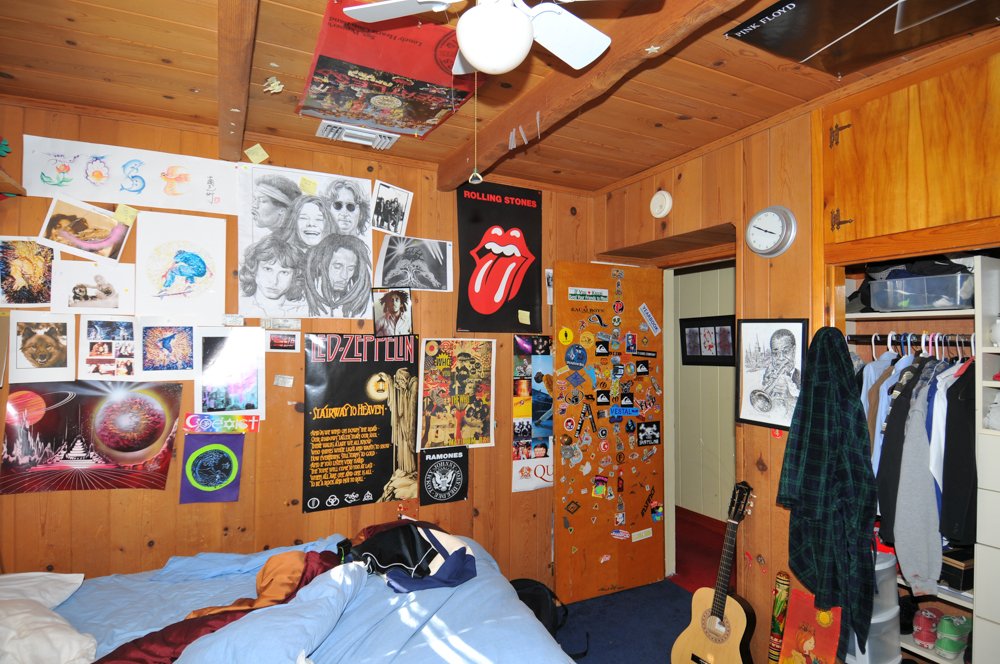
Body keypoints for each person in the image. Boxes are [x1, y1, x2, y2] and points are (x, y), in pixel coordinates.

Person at [304, 233, 372, 318]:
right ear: (321, 265)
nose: (344, 276)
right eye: (337, 267)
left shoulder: (361, 302)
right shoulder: (302, 300)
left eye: (351, 268)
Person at [238, 234, 307, 317]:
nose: (274, 281)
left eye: (284, 272)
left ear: (295, 276)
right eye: (267, 269)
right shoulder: (239, 307)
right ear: (254, 268)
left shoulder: (303, 311)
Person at [752, 328, 801, 415]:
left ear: (794, 351)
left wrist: (790, 398)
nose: (780, 358)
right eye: (775, 353)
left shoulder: (802, 376)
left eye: (786, 351)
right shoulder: (767, 375)